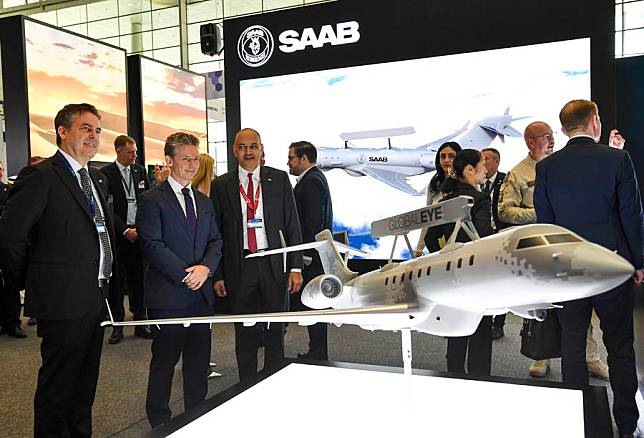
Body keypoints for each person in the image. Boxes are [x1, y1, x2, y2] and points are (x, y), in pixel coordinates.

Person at [0, 103, 116, 436]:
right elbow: (10, 238)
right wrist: (32, 282)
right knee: (58, 389)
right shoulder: (42, 176)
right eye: (85, 128)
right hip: (61, 301)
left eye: (97, 129)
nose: (93, 136)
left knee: (84, 388)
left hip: (96, 297)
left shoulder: (94, 177)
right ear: (62, 131)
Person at [534, 99, 643, 438]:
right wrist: (638, 262)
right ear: (594, 121)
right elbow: (632, 216)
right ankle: (627, 425)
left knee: (572, 344)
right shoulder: (617, 159)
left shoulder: (547, 168)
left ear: (564, 128)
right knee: (620, 347)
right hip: (611, 267)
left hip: (566, 271)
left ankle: (577, 420)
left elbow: (545, 226)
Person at [499, 121, 609, 380]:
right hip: (538, 252)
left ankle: (591, 357)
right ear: (530, 142)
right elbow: (505, 211)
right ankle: (542, 356)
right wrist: (539, 213)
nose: (552, 141)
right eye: (545, 137)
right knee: (543, 307)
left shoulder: (562, 165)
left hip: (568, 248)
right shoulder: (518, 174)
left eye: (552, 136)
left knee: (580, 305)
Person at [136, 132, 222, 427]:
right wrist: (188, 275)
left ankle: (196, 418)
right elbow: (152, 244)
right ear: (169, 160)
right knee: (164, 362)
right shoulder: (151, 200)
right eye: (185, 159)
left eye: (195, 159)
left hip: (201, 296)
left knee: (198, 364)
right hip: (169, 296)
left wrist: (206, 269)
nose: (192, 164)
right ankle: (160, 424)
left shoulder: (203, 201)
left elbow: (215, 241)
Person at [210, 128, 303, 382]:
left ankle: (273, 379)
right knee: (245, 331)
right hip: (240, 266)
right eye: (242, 147)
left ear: (262, 149)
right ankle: (247, 384)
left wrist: (296, 268)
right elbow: (215, 233)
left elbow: (292, 225)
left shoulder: (280, 179)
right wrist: (217, 274)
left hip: (274, 263)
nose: (248, 151)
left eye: (253, 146)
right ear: (234, 151)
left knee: (276, 329)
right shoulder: (221, 185)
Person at [425, 149, 494, 376]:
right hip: (479, 275)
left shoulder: (446, 198)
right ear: (469, 170)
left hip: (452, 275)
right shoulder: (480, 198)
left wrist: (443, 257)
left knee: (457, 328)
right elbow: (482, 235)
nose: (486, 169)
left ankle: (454, 376)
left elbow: (430, 237)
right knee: (481, 332)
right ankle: (479, 379)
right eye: (483, 164)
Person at [101, 135, 152, 344]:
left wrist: (141, 228)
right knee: (117, 281)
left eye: (136, 152)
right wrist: (124, 230)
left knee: (139, 279)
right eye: (131, 152)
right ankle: (118, 326)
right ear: (118, 151)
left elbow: (148, 200)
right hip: (118, 235)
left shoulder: (140, 171)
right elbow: (106, 208)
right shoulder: (105, 174)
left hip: (139, 233)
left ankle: (141, 321)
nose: (135, 155)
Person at [287, 141, 333, 360]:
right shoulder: (315, 178)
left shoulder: (312, 181)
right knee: (314, 304)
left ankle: (317, 353)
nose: (289, 162)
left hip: (312, 256)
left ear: (303, 158)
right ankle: (317, 351)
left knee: (314, 303)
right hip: (315, 254)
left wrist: (305, 255)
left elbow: (313, 221)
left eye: (291, 158)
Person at [190, 152, 221, 378]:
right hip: (205, 267)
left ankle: (201, 364)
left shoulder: (198, 193)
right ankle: (201, 364)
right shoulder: (206, 195)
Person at [415, 141, 462, 257]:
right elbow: (427, 215)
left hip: (461, 244)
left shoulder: (467, 180)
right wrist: (419, 248)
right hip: (436, 244)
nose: (446, 160)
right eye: (443, 156)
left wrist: (449, 247)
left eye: (451, 156)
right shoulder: (434, 183)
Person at [479, 148, 507, 340]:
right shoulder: (474, 182)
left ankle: (499, 324)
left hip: (501, 236)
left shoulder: (506, 180)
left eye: (485, 159)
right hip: (480, 238)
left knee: (502, 281)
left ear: (496, 162)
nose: (482, 162)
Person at [0, 159, 28, 339]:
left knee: (11, 284)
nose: (0, 171)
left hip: (7, 244)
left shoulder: (8, 189)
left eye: (0, 168)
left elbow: (15, 212)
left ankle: (13, 323)